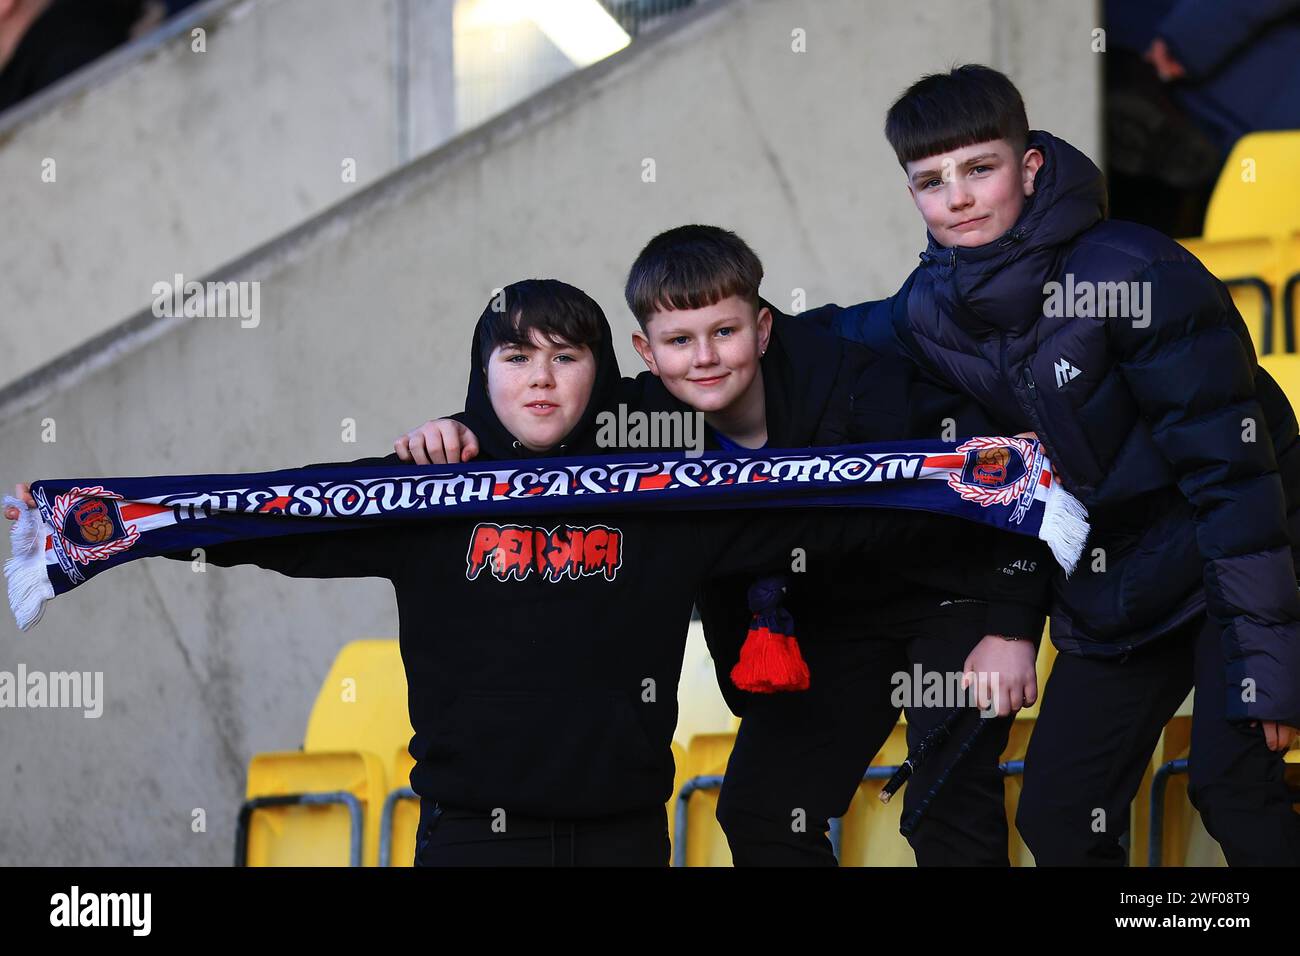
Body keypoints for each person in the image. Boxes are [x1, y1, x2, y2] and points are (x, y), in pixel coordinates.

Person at [7, 278, 975, 866]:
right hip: (471, 837)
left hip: (624, 837)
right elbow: (274, 509)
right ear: (484, 372)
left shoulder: (665, 490)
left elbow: (825, 502)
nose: (542, 376)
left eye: (567, 354)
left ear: (605, 373)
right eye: (516, 355)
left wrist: (978, 483)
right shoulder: (426, 492)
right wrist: (103, 520)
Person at [398, 226, 1051, 866]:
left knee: (943, 803)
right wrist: (458, 431)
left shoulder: (860, 384)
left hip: (949, 596)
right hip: (831, 624)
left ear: (762, 328)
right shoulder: (645, 417)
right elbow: (543, 415)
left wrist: (1014, 627)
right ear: (647, 353)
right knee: (760, 813)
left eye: (724, 332)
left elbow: (1011, 473)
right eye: (679, 340)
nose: (704, 357)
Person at [806, 64, 1300, 865]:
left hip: (1244, 555)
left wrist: (1268, 671)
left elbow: (1237, 481)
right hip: (1122, 585)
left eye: (979, 168)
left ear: (1029, 167)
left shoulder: (1133, 272)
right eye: (931, 181)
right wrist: (717, 350)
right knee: (1059, 814)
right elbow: (829, 341)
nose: (957, 197)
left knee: (1232, 786)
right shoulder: (929, 308)